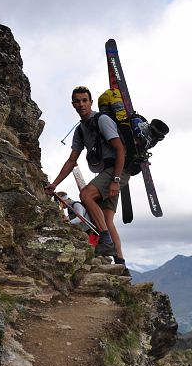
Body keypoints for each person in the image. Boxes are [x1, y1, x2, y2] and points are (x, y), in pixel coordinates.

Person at [45, 86, 130, 262]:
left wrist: (115, 180)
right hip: (109, 173)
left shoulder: (103, 120)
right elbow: (71, 161)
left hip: (116, 171)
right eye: (77, 101)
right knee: (107, 220)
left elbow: (120, 149)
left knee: (86, 194)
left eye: (85, 100)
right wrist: (55, 184)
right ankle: (121, 264)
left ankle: (105, 242)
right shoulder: (80, 130)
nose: (81, 104)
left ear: (91, 102)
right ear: (73, 104)